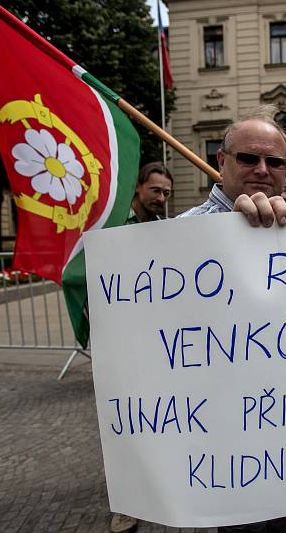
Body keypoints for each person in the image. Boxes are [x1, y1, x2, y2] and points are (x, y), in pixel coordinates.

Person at [178, 105, 286, 533]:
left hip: (285, 438)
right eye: (249, 158)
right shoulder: (179, 238)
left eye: (275, 161)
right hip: (220, 446)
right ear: (221, 162)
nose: (263, 169)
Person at [110, 161, 175, 533]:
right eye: (155, 191)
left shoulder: (163, 229)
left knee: (155, 418)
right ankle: (126, 505)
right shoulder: (117, 226)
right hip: (124, 346)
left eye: (166, 192)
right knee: (124, 422)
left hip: (157, 346)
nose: (161, 198)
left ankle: (159, 483)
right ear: (138, 189)